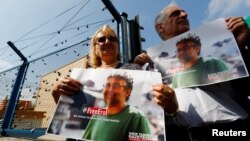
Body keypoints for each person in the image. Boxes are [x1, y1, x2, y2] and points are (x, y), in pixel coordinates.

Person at [134, 2, 250, 140]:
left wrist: (240, 51)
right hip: (180, 135)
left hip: (233, 131)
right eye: (175, 13)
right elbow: (146, 117)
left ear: (198, 49)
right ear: (161, 27)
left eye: (184, 12)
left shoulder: (218, 58)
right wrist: (137, 72)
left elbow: (245, 88)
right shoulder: (149, 68)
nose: (184, 14)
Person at [52, 24, 141, 103]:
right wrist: (56, 92)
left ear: (117, 46)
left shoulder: (134, 69)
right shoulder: (82, 78)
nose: (107, 41)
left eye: (112, 39)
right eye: (101, 39)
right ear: (95, 49)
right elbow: (71, 110)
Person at [82, 73, 151, 141]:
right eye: (107, 85)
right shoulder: (97, 114)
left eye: (115, 86)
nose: (110, 89)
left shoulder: (136, 117)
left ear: (127, 92)